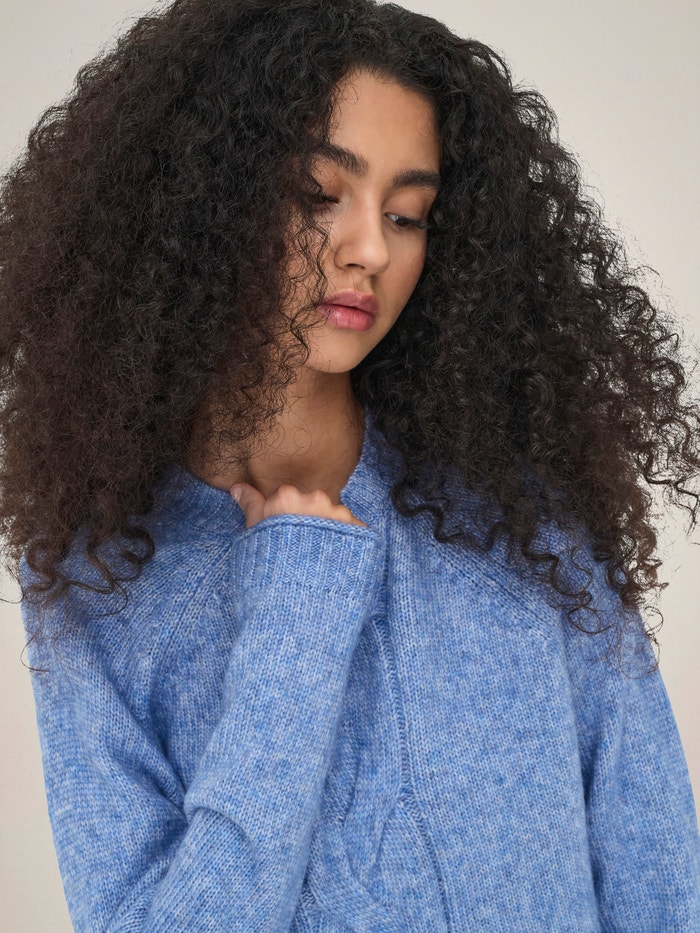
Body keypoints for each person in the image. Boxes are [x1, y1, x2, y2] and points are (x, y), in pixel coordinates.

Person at [0, 0, 698, 929]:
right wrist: (298, 612)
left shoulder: (518, 504)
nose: (369, 248)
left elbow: (661, 876)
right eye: (317, 193)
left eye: (408, 215)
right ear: (201, 198)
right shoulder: (99, 572)